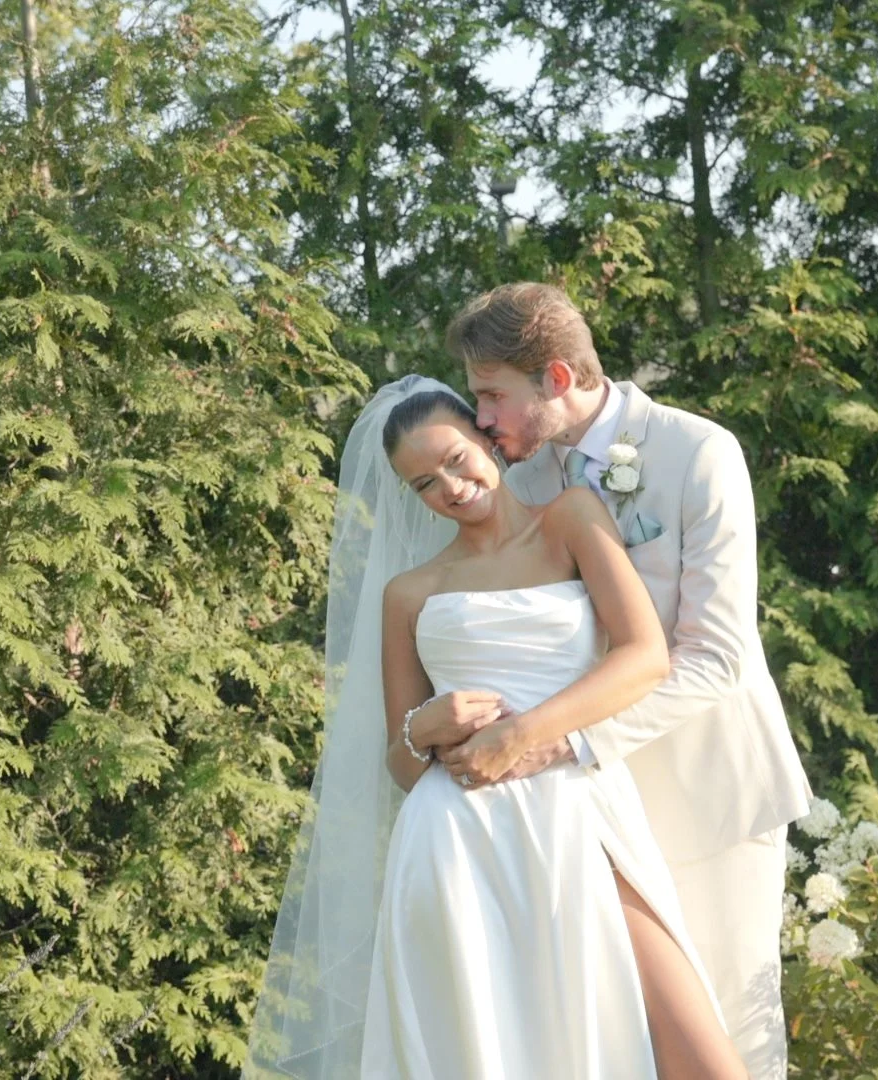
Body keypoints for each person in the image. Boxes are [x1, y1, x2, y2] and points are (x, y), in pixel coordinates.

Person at [247, 375, 746, 1080]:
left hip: (576, 806)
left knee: (702, 1060)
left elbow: (645, 656)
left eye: (455, 459)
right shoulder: (409, 593)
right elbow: (399, 757)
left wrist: (524, 735)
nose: (449, 488)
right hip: (455, 840)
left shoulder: (571, 518)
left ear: (487, 439)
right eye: (423, 484)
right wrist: (428, 723)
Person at [419, 282, 814, 1078]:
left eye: (492, 395)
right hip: (581, 817)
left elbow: (717, 655)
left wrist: (557, 740)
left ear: (556, 379)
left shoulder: (698, 452)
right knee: (614, 1042)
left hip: (706, 796)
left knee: (729, 1040)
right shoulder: (524, 483)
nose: (483, 420)